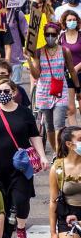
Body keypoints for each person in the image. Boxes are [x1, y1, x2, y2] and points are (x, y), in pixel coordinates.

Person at [0, 78, 47, 238]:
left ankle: (21, 230)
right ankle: (3, 236)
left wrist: (42, 156)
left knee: (21, 199)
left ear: (14, 93)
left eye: (6, 91)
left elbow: (34, 136)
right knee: (0, 202)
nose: (2, 95)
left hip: (20, 166)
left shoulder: (24, 113)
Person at [27, 22, 79, 150]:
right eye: (47, 34)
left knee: (59, 124)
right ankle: (56, 151)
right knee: (49, 125)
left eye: (53, 34)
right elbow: (36, 74)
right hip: (44, 91)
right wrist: (29, 60)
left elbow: (72, 70)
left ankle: (59, 154)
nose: (50, 37)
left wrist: (78, 88)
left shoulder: (65, 51)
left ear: (57, 35)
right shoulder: (39, 52)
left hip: (60, 91)